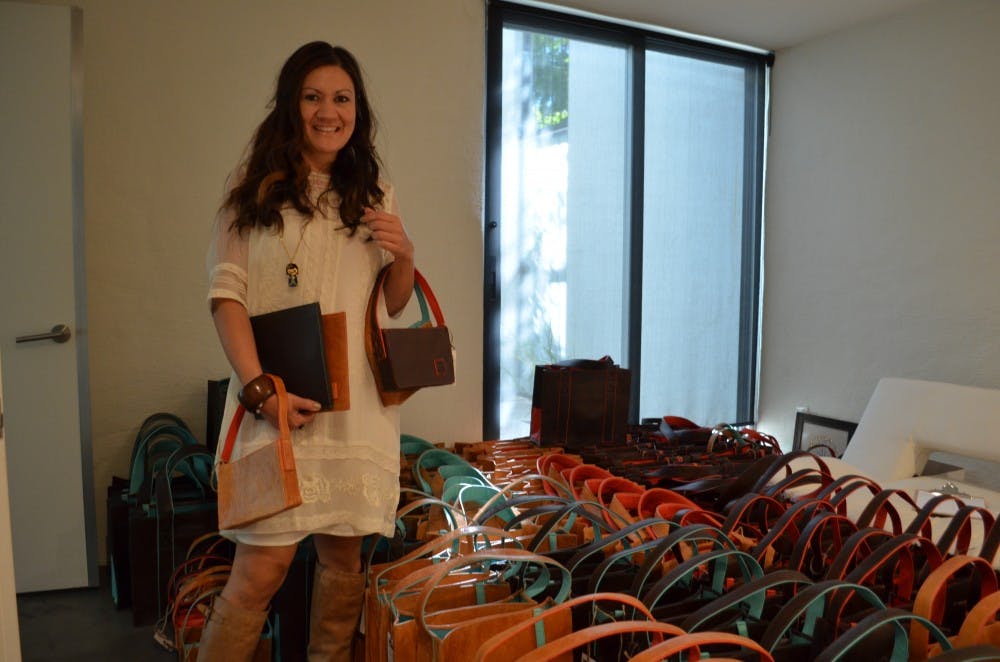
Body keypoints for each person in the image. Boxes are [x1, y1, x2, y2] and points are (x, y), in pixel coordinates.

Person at [201, 41, 414, 661]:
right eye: (313, 96)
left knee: (344, 557)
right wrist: (259, 389)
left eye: (342, 98)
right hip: (277, 405)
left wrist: (405, 255)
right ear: (291, 107)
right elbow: (226, 299)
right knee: (258, 574)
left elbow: (393, 305)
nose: (329, 111)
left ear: (358, 110)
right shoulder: (250, 194)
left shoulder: (375, 192)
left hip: (355, 412)